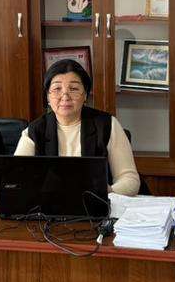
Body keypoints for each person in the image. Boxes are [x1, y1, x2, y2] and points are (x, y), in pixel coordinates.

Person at [14, 59, 140, 196]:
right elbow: (14, 177)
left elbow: (130, 180)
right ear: (48, 97)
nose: (65, 96)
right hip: (49, 206)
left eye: (73, 89)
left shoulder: (107, 125)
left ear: (85, 95)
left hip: (95, 204)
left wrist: (107, 191)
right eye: (57, 89)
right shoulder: (34, 131)